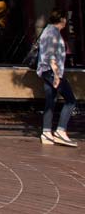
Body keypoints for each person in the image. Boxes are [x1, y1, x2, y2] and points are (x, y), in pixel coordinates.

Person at [37, 8, 78, 146]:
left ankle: (47, 132)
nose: (66, 21)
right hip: (51, 72)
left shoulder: (49, 31)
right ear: (62, 20)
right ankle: (61, 131)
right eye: (65, 19)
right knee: (71, 100)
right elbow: (50, 56)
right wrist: (56, 76)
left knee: (51, 101)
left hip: (47, 71)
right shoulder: (52, 33)